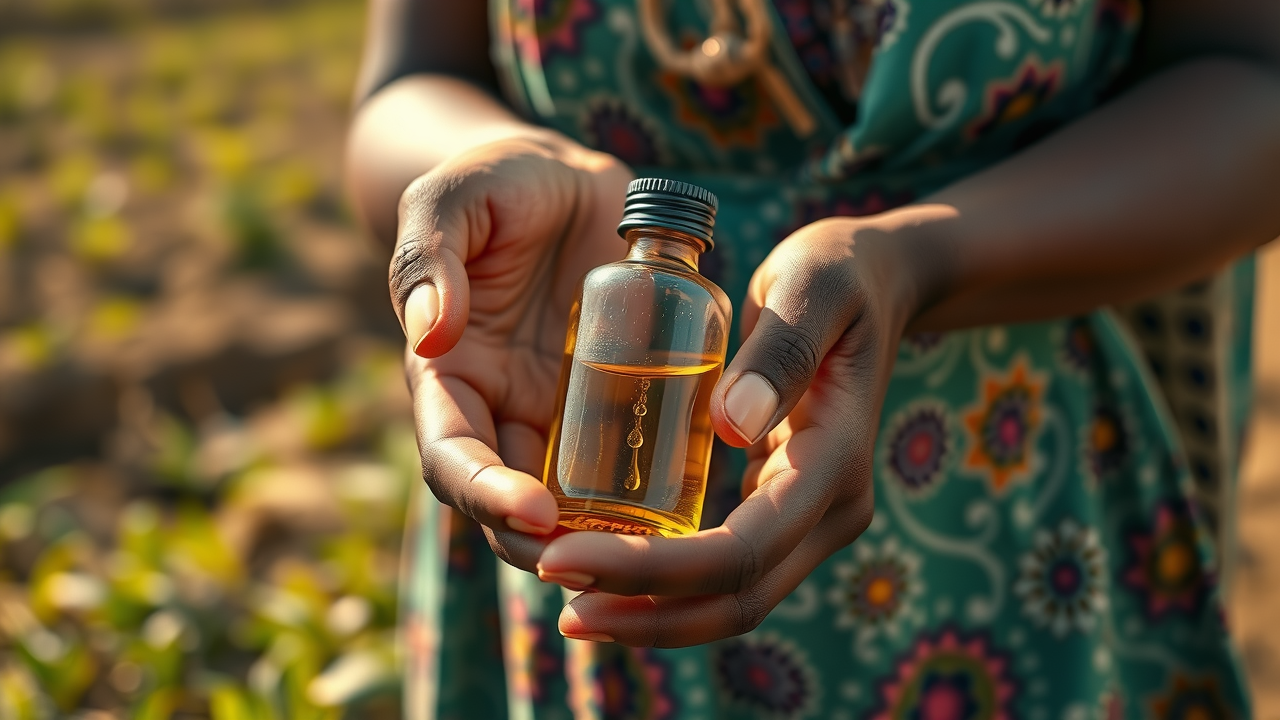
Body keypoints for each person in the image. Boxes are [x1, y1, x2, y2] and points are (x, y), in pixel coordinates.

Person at [345, 0, 1280, 717]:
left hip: (1011, 479)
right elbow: (410, 83)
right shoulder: (617, 292)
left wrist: (920, 258)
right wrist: (492, 182)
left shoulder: (668, 302)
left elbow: (1251, 80)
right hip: (546, 402)